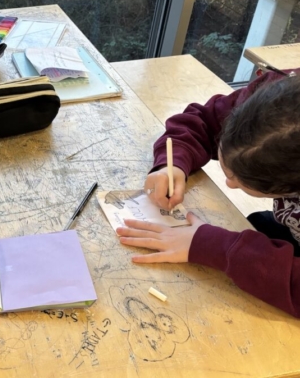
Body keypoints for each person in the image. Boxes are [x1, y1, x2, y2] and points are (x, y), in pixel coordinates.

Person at [115, 68, 300, 318]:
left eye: (239, 180)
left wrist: (214, 246)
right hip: (288, 227)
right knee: (255, 224)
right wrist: (174, 162)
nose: (228, 184)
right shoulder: (277, 99)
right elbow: (203, 121)